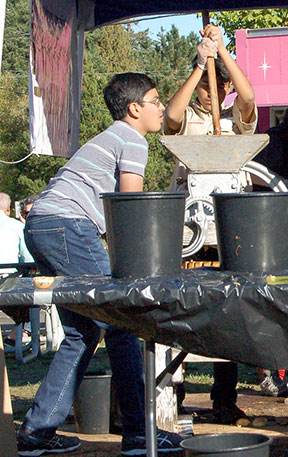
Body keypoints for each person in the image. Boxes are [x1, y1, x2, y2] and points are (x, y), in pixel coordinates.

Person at [17, 73, 185, 457]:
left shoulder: (110, 137)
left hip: (43, 224)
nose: (162, 108)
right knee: (122, 321)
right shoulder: (131, 139)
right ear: (134, 108)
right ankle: (140, 434)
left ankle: (36, 433)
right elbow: (130, 208)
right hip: (67, 226)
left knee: (83, 332)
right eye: (156, 100)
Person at [164, 24, 258, 425]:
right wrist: (199, 66)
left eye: (219, 88)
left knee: (228, 311)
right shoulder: (188, 119)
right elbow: (170, 115)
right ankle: (173, 394)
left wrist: (223, 54)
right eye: (208, 88)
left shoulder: (236, 123)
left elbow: (248, 96)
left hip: (227, 230)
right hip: (189, 232)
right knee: (180, 309)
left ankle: (224, 398)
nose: (212, 94)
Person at [4, 194, 39, 347]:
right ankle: (22, 331)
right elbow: (29, 261)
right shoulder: (17, 227)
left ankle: (19, 332)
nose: (28, 217)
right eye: (25, 214)